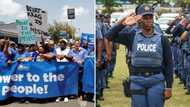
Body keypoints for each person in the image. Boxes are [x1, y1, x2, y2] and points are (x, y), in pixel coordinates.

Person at [105, 4, 173, 107]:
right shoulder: (132, 36)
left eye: (151, 17)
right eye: (145, 17)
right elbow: (109, 36)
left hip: (156, 80)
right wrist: (123, 24)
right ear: (139, 19)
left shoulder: (162, 39)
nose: (149, 20)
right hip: (137, 80)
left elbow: (169, 63)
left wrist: (169, 87)